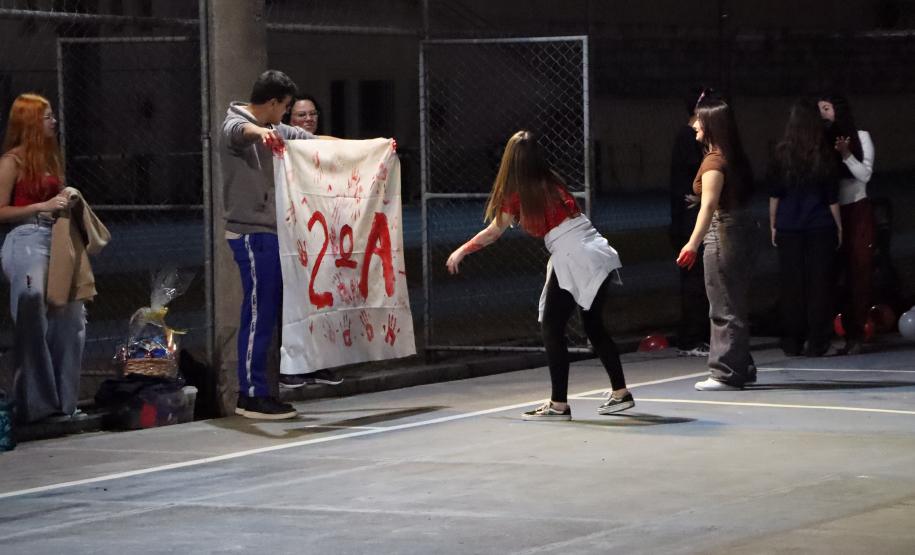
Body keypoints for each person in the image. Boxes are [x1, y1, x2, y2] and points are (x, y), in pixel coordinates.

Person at [446, 130, 633, 420]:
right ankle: (620, 392)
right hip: (595, 247)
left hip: (574, 254)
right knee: (593, 325)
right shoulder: (551, 181)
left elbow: (494, 231)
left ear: (510, 160)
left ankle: (559, 404)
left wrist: (461, 251)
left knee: (552, 327)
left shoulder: (519, 191)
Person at [221, 70, 341, 421]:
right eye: (285, 107)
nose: (285, 114)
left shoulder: (277, 129)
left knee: (268, 311)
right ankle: (251, 394)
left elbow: (310, 140)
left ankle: (261, 389)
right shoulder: (237, 123)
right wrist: (261, 132)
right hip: (250, 232)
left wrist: (370, 147)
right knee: (258, 312)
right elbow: (240, 133)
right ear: (273, 103)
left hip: (272, 233)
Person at [0, 93, 85, 423]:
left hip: (57, 236)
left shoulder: (50, 159)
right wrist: (40, 206)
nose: (54, 121)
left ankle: (64, 404)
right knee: (31, 300)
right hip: (25, 237)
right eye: (47, 116)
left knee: (71, 314)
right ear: (31, 122)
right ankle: (36, 404)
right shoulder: (12, 161)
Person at [676, 97, 757, 391]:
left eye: (699, 119)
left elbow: (709, 205)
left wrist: (692, 243)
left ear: (710, 124)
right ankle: (742, 365)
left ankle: (725, 372)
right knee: (735, 301)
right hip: (741, 229)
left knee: (723, 303)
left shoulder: (714, 161)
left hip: (723, 232)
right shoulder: (733, 155)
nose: (694, 124)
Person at [769, 99, 842, 357]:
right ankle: (818, 341)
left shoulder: (781, 152)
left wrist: (773, 224)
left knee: (791, 286)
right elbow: (831, 195)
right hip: (819, 224)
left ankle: (792, 341)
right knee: (819, 285)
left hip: (789, 225)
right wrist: (839, 226)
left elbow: (775, 194)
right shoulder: (822, 152)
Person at [818, 94, 875, 355]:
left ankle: (856, 333)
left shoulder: (861, 136)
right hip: (830, 212)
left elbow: (865, 174)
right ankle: (829, 333)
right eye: (820, 110)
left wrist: (846, 155)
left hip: (857, 209)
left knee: (859, 271)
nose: (823, 114)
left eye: (827, 109)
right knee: (830, 274)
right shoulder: (820, 141)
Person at [669, 88, 712, 357]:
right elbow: (698, 174)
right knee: (694, 279)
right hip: (687, 221)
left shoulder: (692, 139)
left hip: (689, 218)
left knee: (699, 279)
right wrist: (702, 195)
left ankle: (696, 335)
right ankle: (690, 337)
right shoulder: (688, 138)